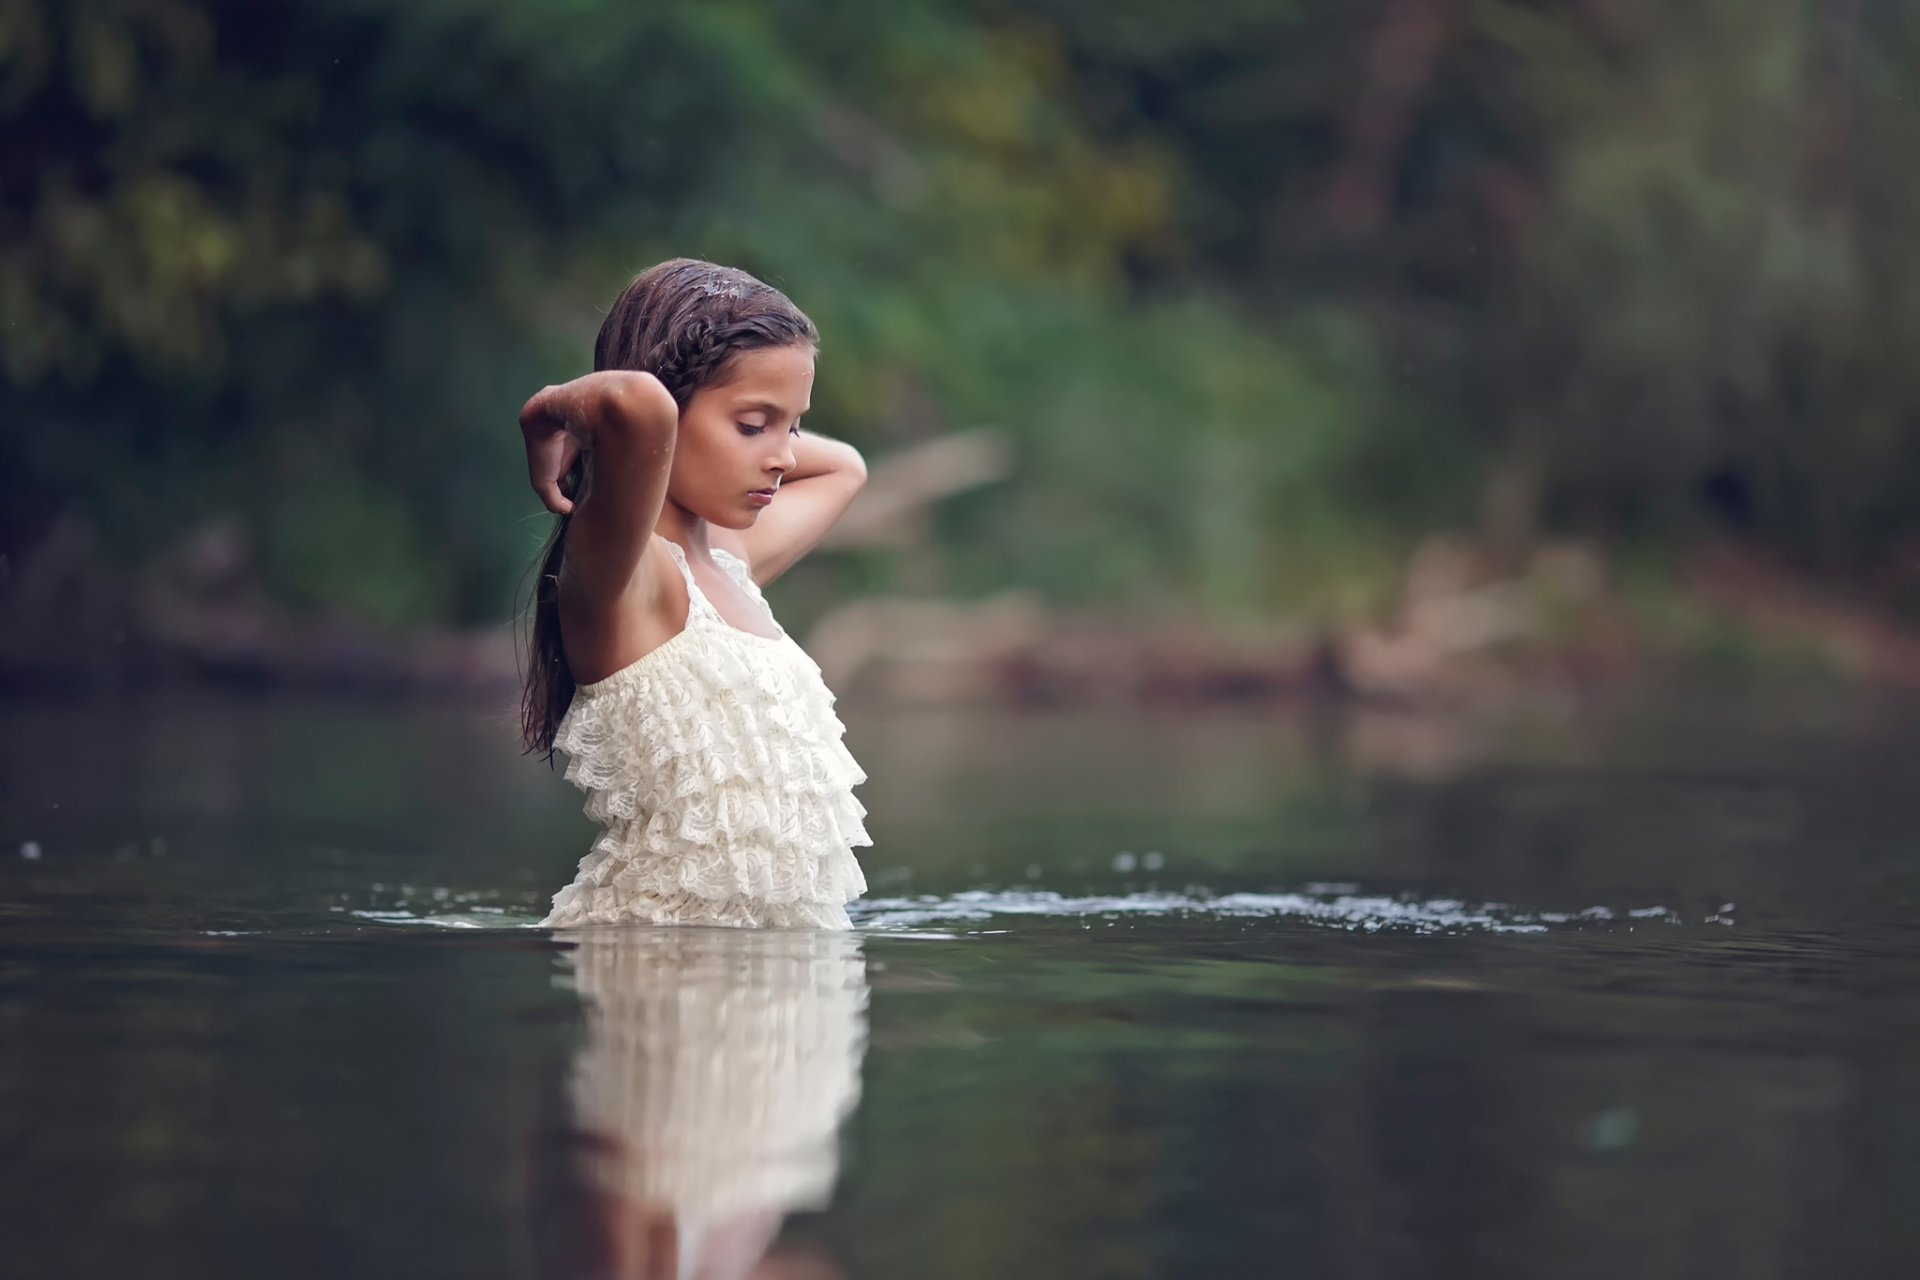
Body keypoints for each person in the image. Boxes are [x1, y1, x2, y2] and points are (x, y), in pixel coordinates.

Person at [517, 259, 871, 929]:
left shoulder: (729, 563)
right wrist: (549, 413)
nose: (785, 457)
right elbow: (637, 405)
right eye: (751, 425)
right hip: (656, 973)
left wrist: (765, 412)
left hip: (785, 1003)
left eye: (791, 426)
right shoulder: (625, 574)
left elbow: (845, 468)